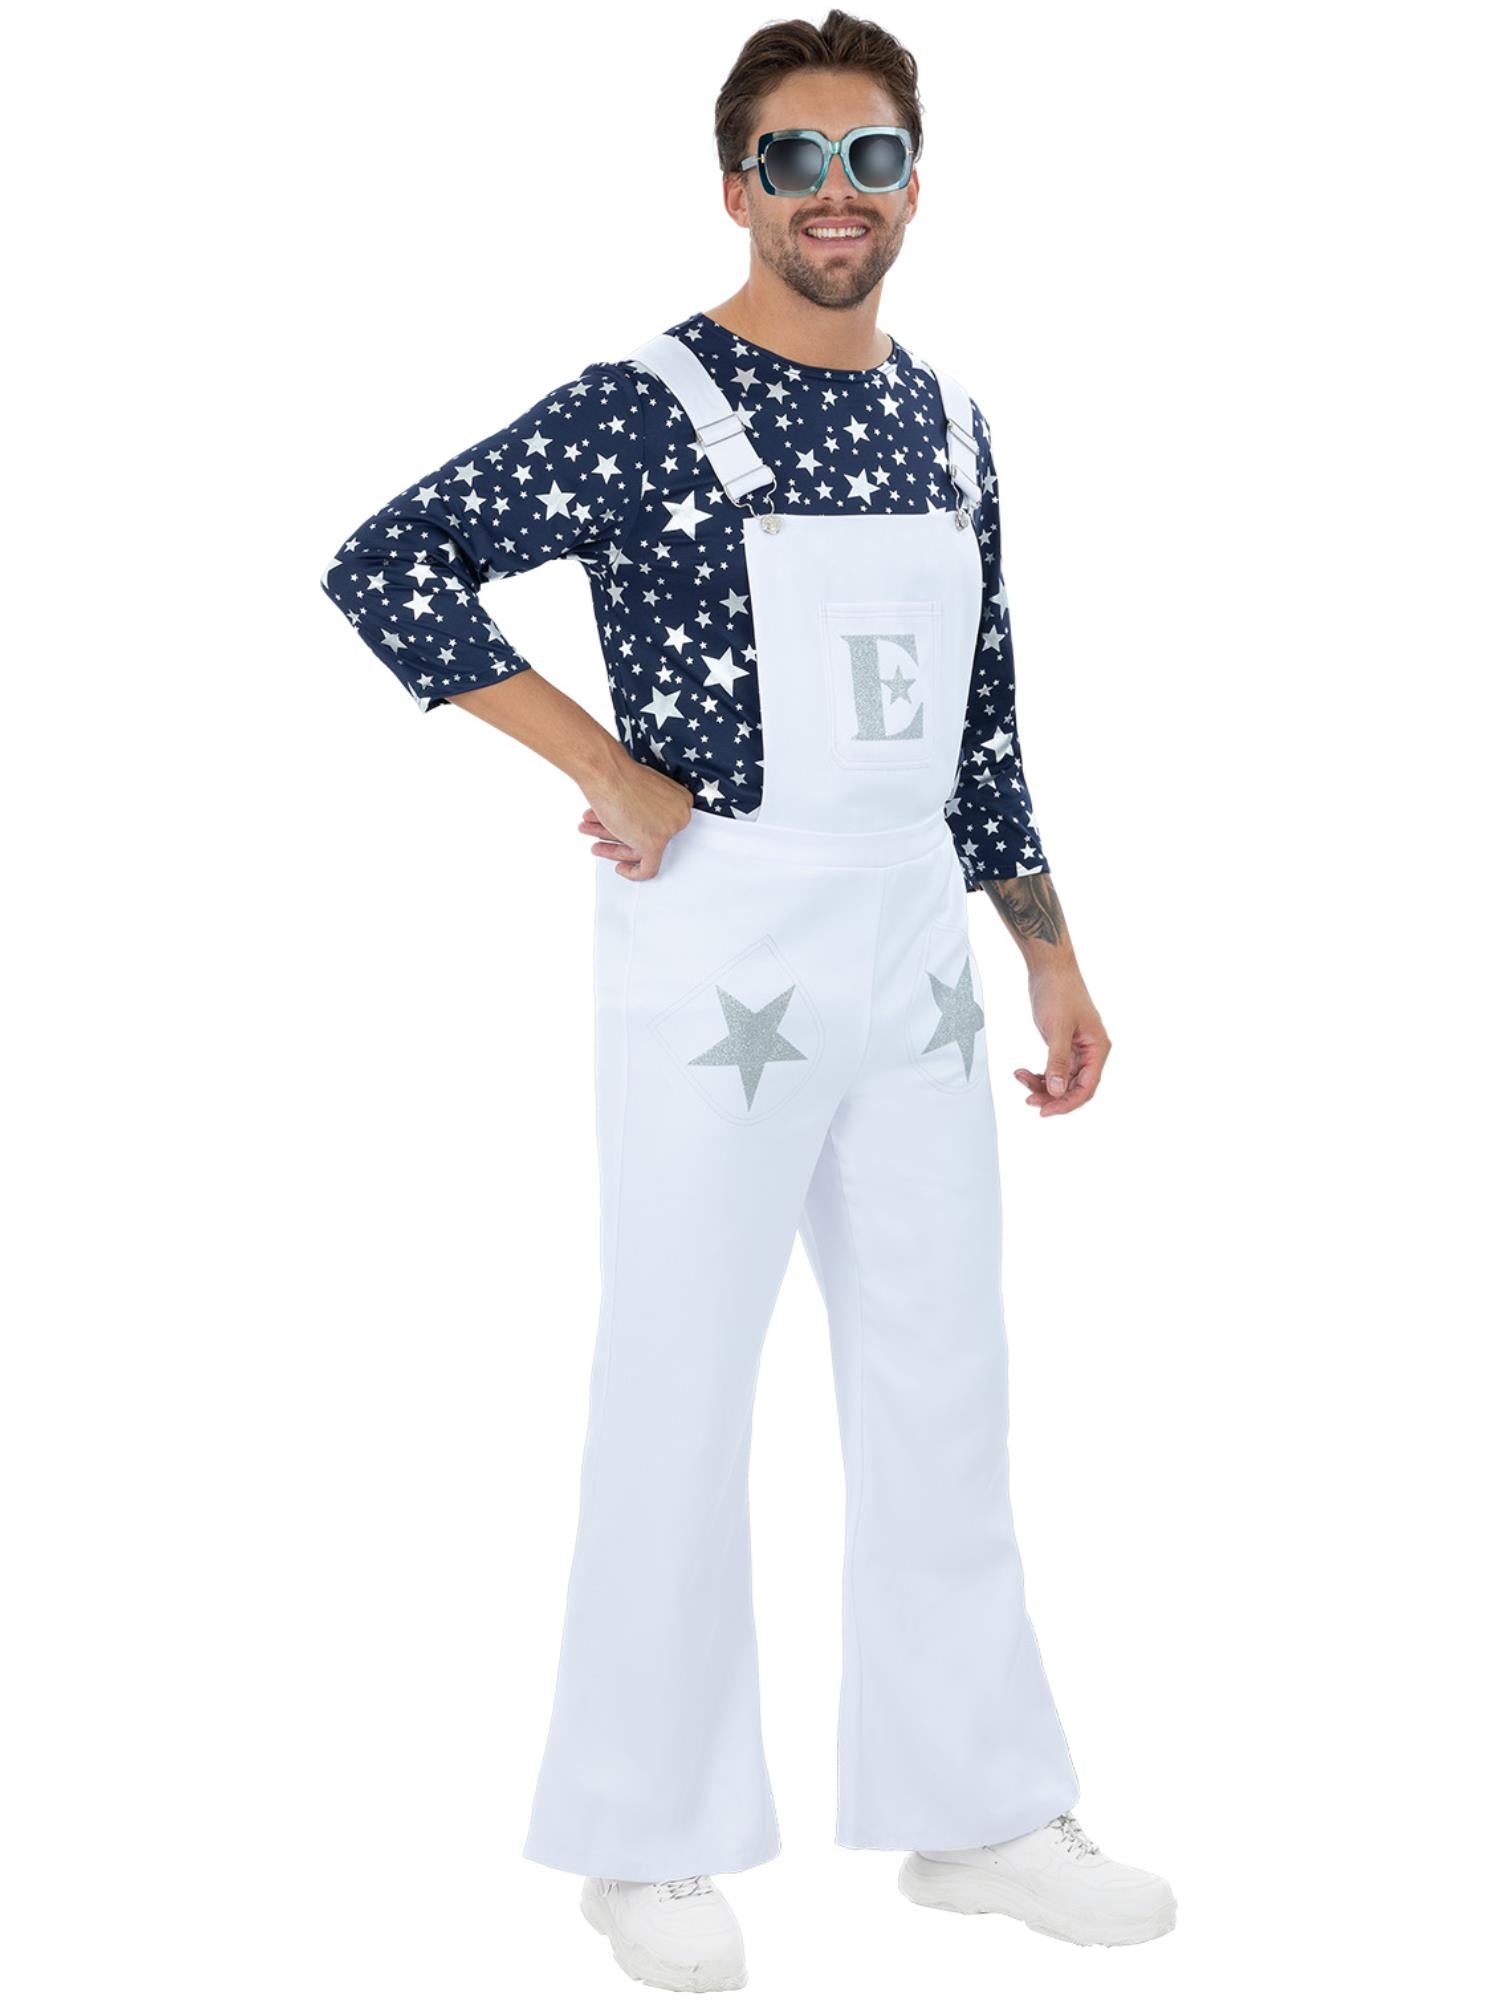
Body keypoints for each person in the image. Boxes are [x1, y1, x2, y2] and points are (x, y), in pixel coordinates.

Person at [320, 10, 1174, 1988]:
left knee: (945, 1377)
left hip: (915, 954)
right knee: (680, 1381)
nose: (833, 195)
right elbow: (389, 562)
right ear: (736, 188)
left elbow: (982, 710)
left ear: (916, 184)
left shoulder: (951, 425)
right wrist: (600, 764)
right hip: (723, 942)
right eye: (794, 161)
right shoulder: (645, 406)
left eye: (870, 158)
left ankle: (978, 1808)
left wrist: (1048, 947)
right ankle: (644, 1835)